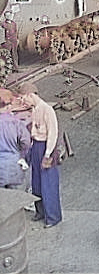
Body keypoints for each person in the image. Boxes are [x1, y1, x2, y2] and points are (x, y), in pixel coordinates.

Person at [18, 82, 62, 228]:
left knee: (48, 184)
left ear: (31, 95)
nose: (24, 102)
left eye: (24, 98)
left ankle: (53, 217)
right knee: (36, 183)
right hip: (36, 147)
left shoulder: (47, 110)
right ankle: (40, 212)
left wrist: (48, 154)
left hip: (45, 148)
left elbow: (53, 133)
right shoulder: (35, 109)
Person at [0, 89, 31, 189]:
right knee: (19, 198)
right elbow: (26, 142)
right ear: (9, 105)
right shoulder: (16, 123)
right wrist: (22, 155)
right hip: (14, 165)